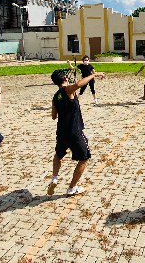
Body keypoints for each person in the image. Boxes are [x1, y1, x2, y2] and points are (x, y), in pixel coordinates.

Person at [47, 68, 105, 196]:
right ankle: (72, 187)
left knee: (58, 155)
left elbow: (53, 116)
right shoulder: (67, 90)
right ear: (65, 79)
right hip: (74, 131)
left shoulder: (56, 96)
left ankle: (55, 178)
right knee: (84, 158)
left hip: (61, 132)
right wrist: (94, 74)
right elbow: (79, 84)